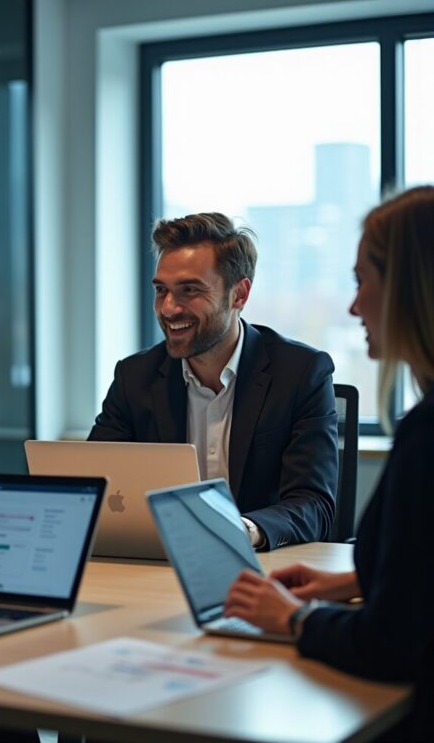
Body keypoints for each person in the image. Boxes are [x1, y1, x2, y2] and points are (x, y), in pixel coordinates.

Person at [225, 186, 434, 742]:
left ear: (409, 288)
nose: (353, 306)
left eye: (363, 281)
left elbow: (391, 644)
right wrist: (351, 582)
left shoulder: (426, 435)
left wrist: (292, 618)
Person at [89, 212, 338, 549]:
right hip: (160, 563)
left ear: (239, 295)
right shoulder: (134, 377)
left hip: (261, 566)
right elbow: (92, 485)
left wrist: (243, 530)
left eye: (189, 290)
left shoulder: (301, 373)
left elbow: (314, 504)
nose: (168, 308)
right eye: (161, 290)